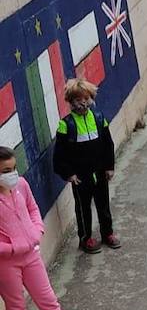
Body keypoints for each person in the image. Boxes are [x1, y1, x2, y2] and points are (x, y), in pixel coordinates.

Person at [0, 148, 91, 310]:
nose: (12, 174)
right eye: (5, 170)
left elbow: (33, 209)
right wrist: (14, 247)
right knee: (16, 308)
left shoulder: (21, 185)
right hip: (6, 263)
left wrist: (37, 230)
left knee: (48, 299)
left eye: (14, 168)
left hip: (31, 255)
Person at [52, 79, 119, 254]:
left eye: (85, 98)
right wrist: (70, 174)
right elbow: (60, 155)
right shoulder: (66, 125)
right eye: (77, 99)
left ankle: (108, 234)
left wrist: (109, 167)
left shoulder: (99, 119)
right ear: (70, 101)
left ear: (90, 98)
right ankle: (86, 238)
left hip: (100, 174)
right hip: (81, 178)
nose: (82, 102)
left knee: (104, 205)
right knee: (83, 210)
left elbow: (108, 144)